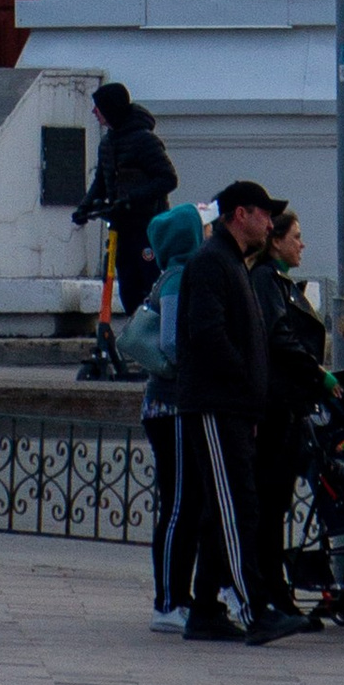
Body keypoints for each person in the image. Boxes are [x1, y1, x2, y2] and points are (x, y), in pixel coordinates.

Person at [174, 179, 300, 644]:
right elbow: (207, 336)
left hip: (232, 404)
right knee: (236, 507)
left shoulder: (232, 263)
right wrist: (246, 385)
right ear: (240, 214)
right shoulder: (212, 264)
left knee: (222, 507)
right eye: (265, 214)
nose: (271, 223)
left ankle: (205, 609)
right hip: (216, 404)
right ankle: (254, 610)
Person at [249, 206, 337, 628]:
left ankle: (276, 587)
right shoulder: (267, 279)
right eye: (296, 236)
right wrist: (318, 374)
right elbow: (278, 336)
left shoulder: (280, 281)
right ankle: (270, 589)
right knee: (270, 501)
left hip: (289, 405)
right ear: (276, 240)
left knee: (278, 500)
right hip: (277, 407)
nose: (302, 244)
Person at [123, 199, 207, 634]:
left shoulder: (176, 275)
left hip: (173, 405)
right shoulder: (177, 279)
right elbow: (173, 343)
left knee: (187, 502)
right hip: (170, 405)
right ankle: (168, 600)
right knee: (179, 503)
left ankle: (179, 595)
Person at [71, 82, 179, 311]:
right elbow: (101, 181)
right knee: (128, 288)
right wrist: (84, 207)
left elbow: (168, 179)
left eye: (98, 108)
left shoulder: (144, 140)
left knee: (150, 284)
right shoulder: (108, 142)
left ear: (110, 109)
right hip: (122, 228)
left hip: (147, 228)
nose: (94, 113)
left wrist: (132, 199)